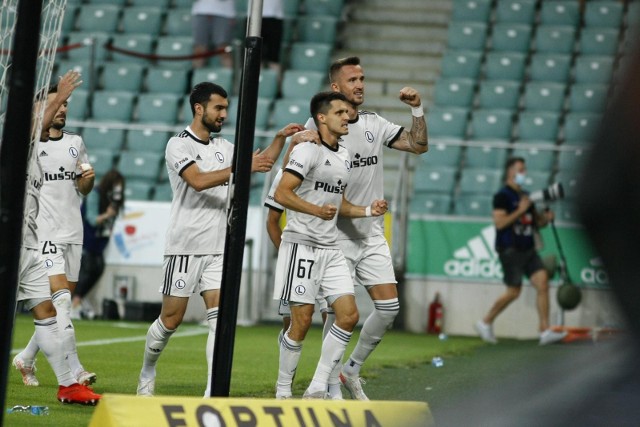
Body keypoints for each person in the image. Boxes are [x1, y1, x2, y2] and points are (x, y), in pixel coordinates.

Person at [137, 82, 289, 397]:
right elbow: (197, 181)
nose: (223, 114)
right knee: (170, 320)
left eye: (225, 108)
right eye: (218, 108)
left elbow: (258, 165)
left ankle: (211, 392)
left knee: (218, 322)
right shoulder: (178, 145)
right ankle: (147, 371)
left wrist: (281, 140)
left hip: (219, 248)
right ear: (199, 108)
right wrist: (240, 167)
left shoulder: (225, 147)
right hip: (184, 246)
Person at [292, 56, 429, 400]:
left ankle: (350, 370)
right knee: (336, 315)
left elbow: (418, 145)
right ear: (336, 88)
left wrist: (417, 109)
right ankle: (323, 388)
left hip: (370, 233)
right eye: (352, 79)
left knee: (388, 310)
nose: (360, 85)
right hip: (334, 235)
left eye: (363, 78)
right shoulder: (319, 127)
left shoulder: (373, 122)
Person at [273, 91, 388, 400]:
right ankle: (283, 391)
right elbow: (283, 193)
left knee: (348, 315)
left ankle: (316, 386)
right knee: (301, 322)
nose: (347, 116)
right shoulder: (307, 151)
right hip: (302, 245)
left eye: (347, 112)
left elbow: (338, 204)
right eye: (339, 112)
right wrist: (313, 210)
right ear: (322, 118)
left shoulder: (343, 156)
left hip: (330, 248)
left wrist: (367, 211)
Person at [14, 70, 101, 405]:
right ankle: (76, 370)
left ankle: (66, 384)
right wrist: (58, 95)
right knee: (60, 301)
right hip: (26, 236)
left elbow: (82, 187)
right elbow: (35, 128)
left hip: (42, 237)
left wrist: (87, 180)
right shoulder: (24, 136)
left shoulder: (74, 143)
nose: (63, 108)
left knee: (49, 309)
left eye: (65, 103)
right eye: (55, 104)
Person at [474, 157, 567, 346]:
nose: (523, 174)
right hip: (510, 249)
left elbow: (537, 223)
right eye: (520, 170)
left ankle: (545, 330)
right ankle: (485, 322)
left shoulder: (527, 196)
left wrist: (546, 218)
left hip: (529, 248)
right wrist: (519, 210)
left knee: (542, 283)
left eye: (524, 170)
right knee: (513, 292)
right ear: (510, 172)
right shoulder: (502, 196)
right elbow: (500, 224)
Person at [71, 169, 126, 319]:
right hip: (86, 238)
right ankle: (74, 303)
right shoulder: (95, 194)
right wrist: (108, 214)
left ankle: (77, 301)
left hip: (99, 242)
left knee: (97, 268)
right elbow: (92, 219)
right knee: (87, 270)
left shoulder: (113, 201)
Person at [191, 0, 235, 69]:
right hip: (200, 12)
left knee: (223, 49)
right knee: (199, 50)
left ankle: (228, 77)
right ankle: (197, 77)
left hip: (223, 13)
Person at [261, 0, 284, 79]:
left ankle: (276, 87)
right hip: (253, 16)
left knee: (273, 58)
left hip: (274, 17)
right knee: (255, 58)